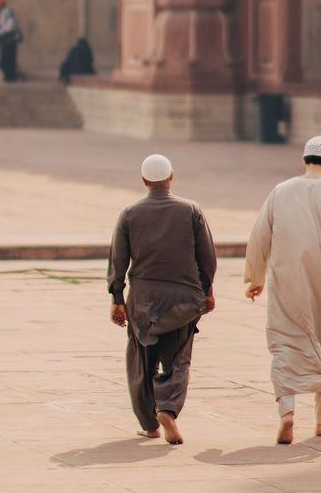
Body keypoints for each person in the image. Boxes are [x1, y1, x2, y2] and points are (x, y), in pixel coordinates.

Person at [245, 135, 321, 445]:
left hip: (286, 278)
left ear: (303, 159)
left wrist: (255, 276)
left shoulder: (281, 191)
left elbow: (260, 235)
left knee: (284, 342)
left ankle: (287, 411)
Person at [108, 154, 217, 444]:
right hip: (183, 299)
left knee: (141, 362)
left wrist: (117, 298)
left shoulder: (129, 214)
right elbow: (207, 257)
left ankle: (150, 424)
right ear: (171, 178)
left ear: (144, 181)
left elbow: (118, 260)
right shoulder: (191, 210)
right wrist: (207, 290)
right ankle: (167, 407)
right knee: (178, 360)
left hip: (143, 300)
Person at [0, 0, 21, 82]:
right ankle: (9, 76)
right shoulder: (4, 12)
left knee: (8, 58)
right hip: (7, 38)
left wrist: (1, 32)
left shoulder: (7, 12)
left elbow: (9, 25)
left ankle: (10, 76)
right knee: (7, 58)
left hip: (8, 39)